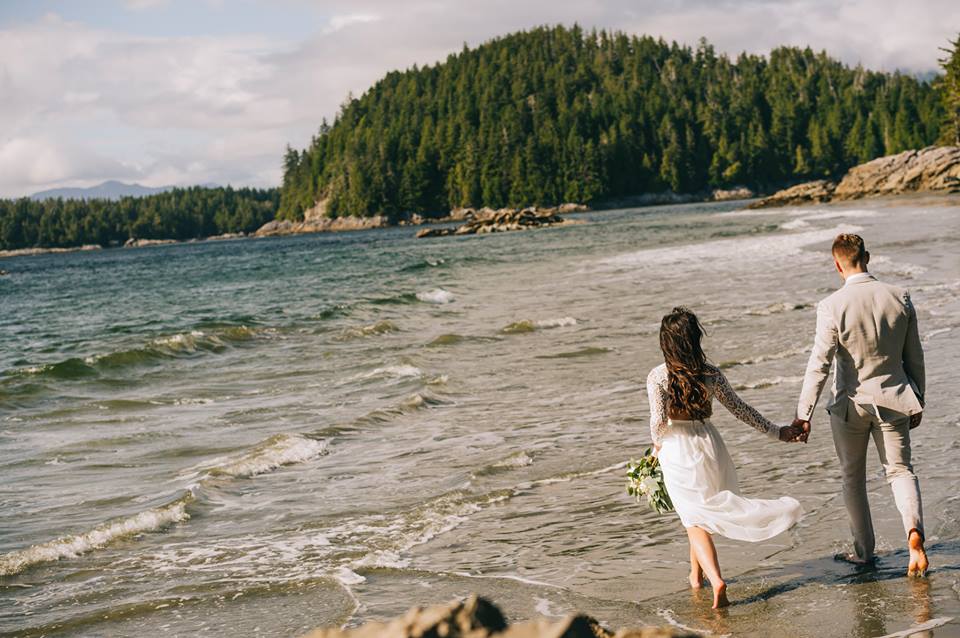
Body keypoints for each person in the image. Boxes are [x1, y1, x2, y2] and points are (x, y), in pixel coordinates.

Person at [647, 307, 804, 608]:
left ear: (665, 341)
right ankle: (696, 577)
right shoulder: (711, 374)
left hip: (678, 448)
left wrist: (656, 448)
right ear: (694, 339)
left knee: (693, 516)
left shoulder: (657, 376)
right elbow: (741, 410)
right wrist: (777, 431)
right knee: (700, 513)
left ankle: (717, 580)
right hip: (710, 446)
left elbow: (657, 422)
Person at [791, 233, 928, 576]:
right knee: (899, 471)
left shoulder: (832, 306)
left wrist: (803, 414)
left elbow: (819, 364)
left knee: (853, 478)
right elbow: (915, 357)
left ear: (837, 265)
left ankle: (864, 553)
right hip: (895, 398)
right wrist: (918, 399)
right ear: (868, 256)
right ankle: (914, 533)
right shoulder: (900, 297)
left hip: (851, 406)